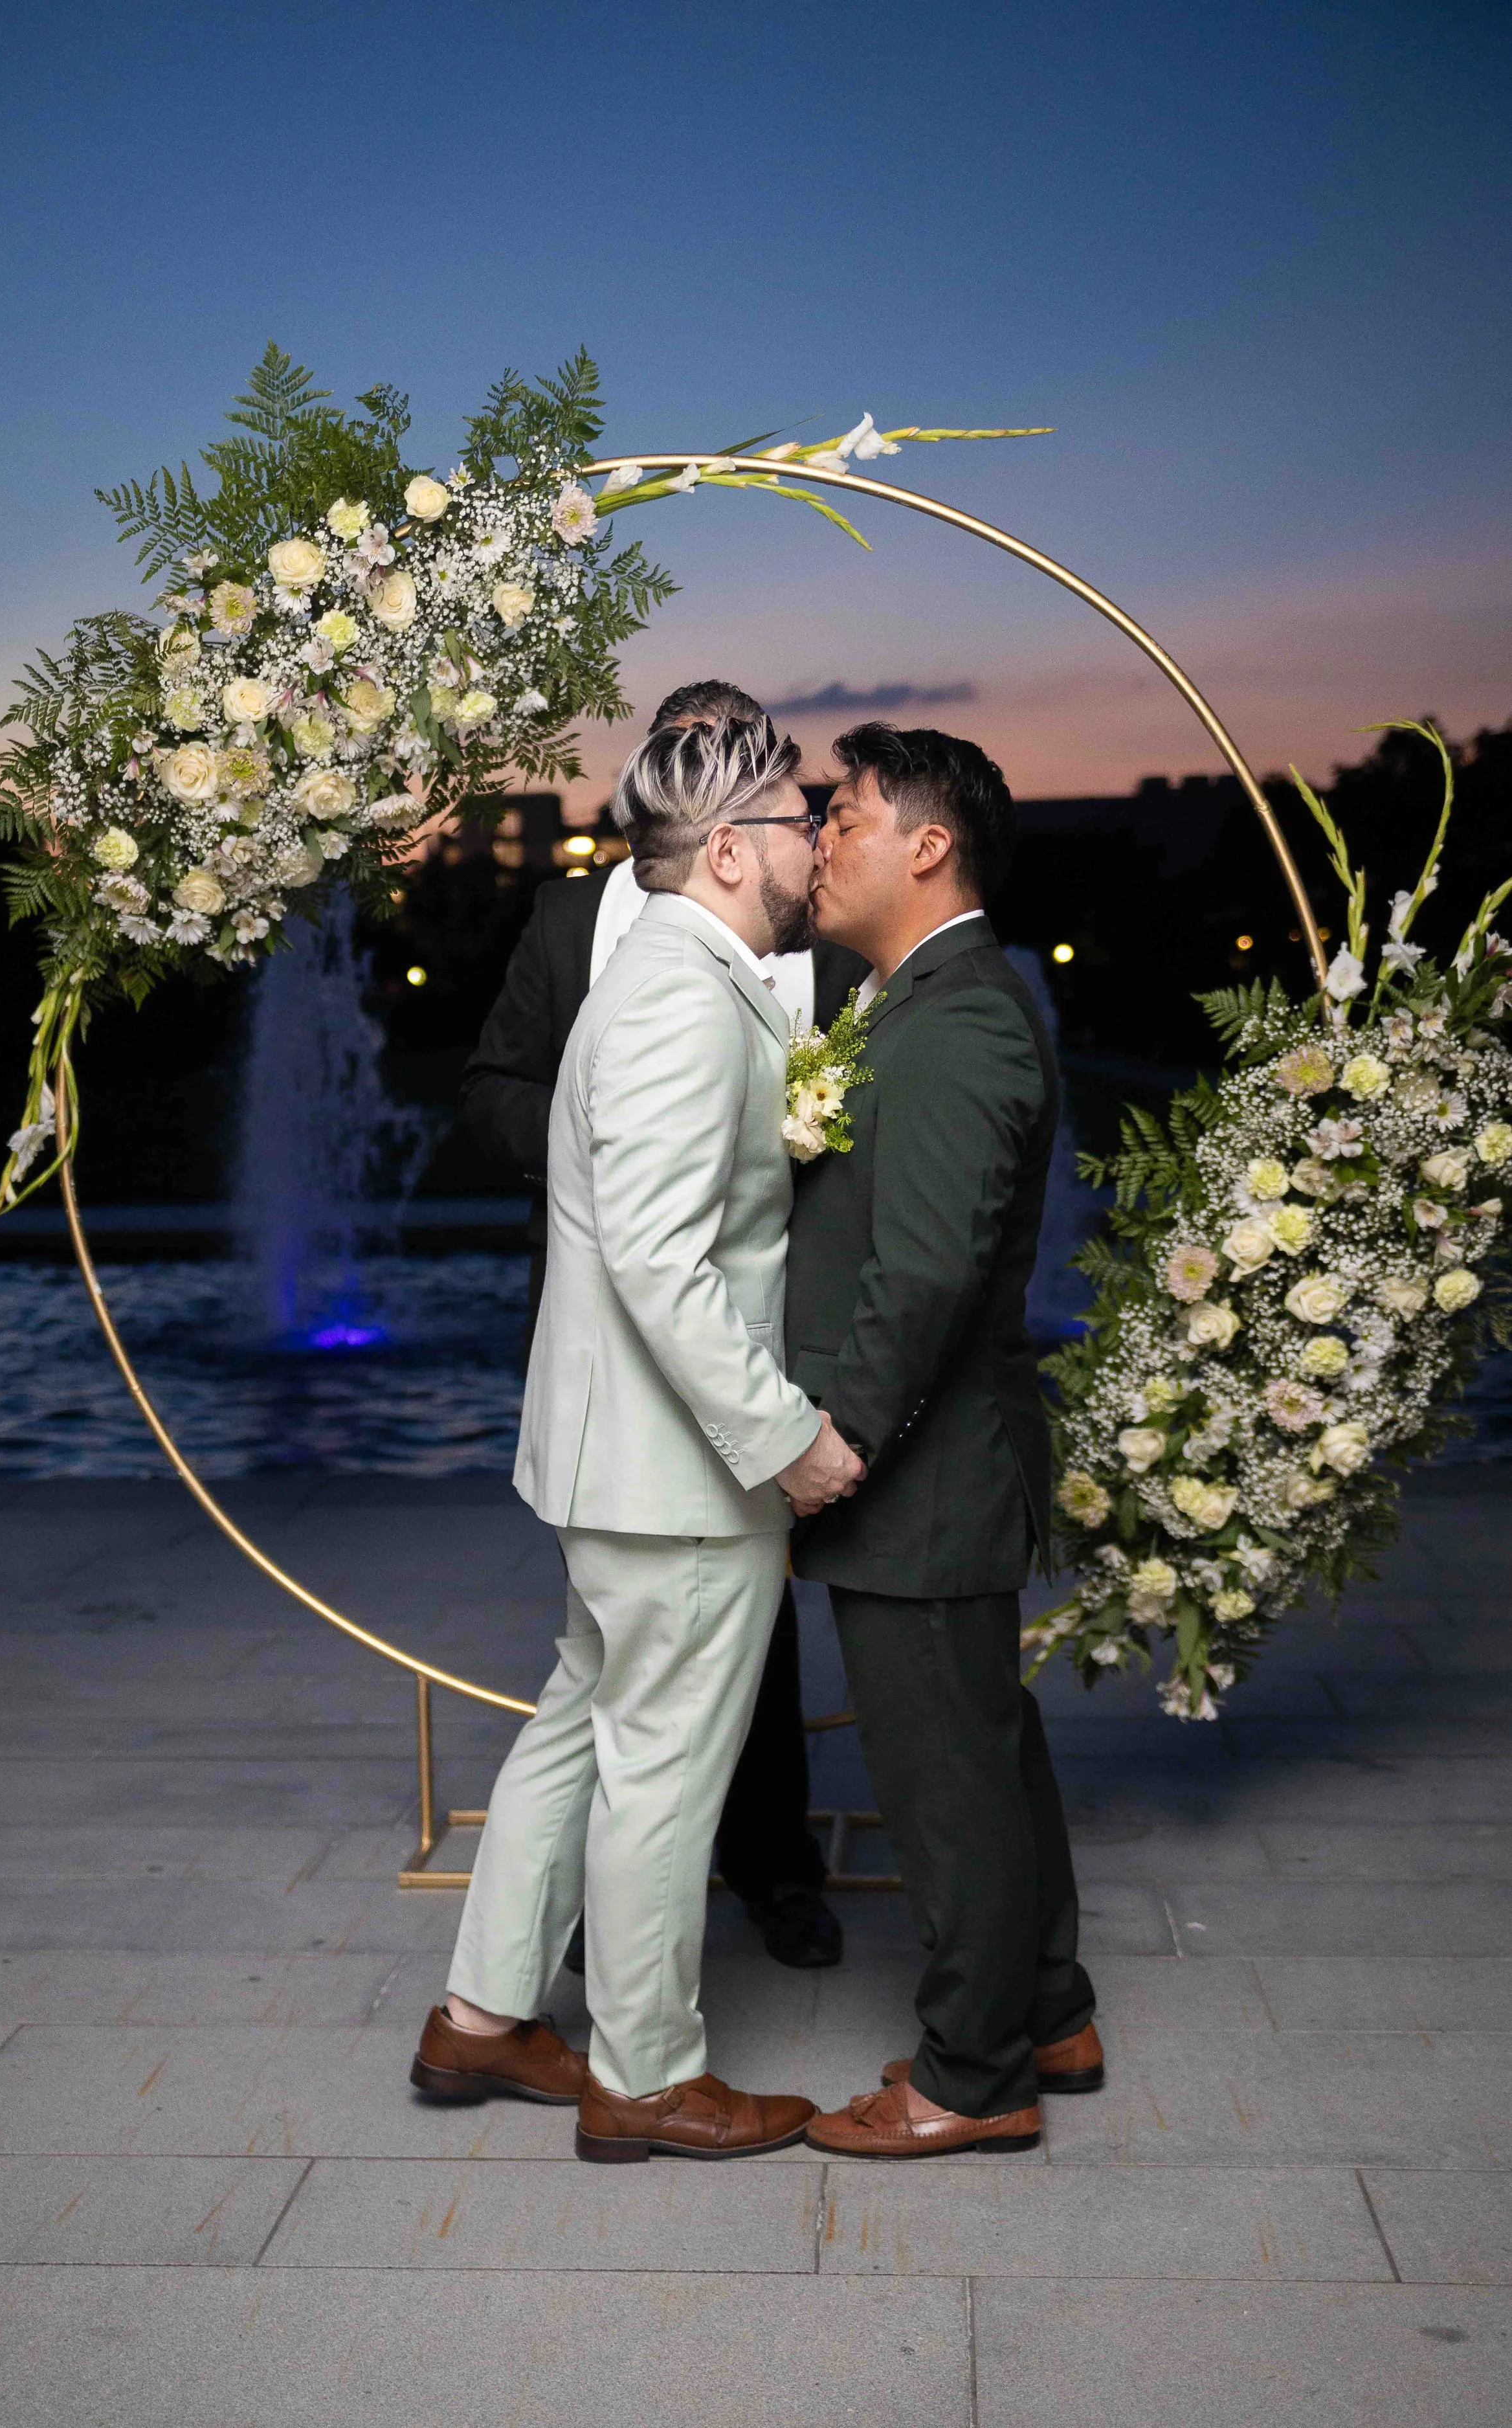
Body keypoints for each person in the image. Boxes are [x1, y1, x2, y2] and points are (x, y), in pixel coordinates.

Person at [413, 717, 864, 2161]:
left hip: (612, 1455)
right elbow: (663, 1264)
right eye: (796, 821)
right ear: (727, 849)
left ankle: (482, 2015)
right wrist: (785, 1438)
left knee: (579, 1726)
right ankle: (647, 2077)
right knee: (662, 1769)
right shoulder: (682, 996)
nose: (814, 842)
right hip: (673, 1476)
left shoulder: (662, 973)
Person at [786, 723, 1101, 2160]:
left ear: (928, 846)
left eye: (844, 816)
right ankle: (1050, 2008)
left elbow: (924, 1273)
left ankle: (973, 2078)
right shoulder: (908, 1001)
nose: (821, 839)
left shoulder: (958, 1017)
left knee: (945, 1780)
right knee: (986, 1745)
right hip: (944, 1464)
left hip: (922, 1474)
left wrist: (839, 1439)